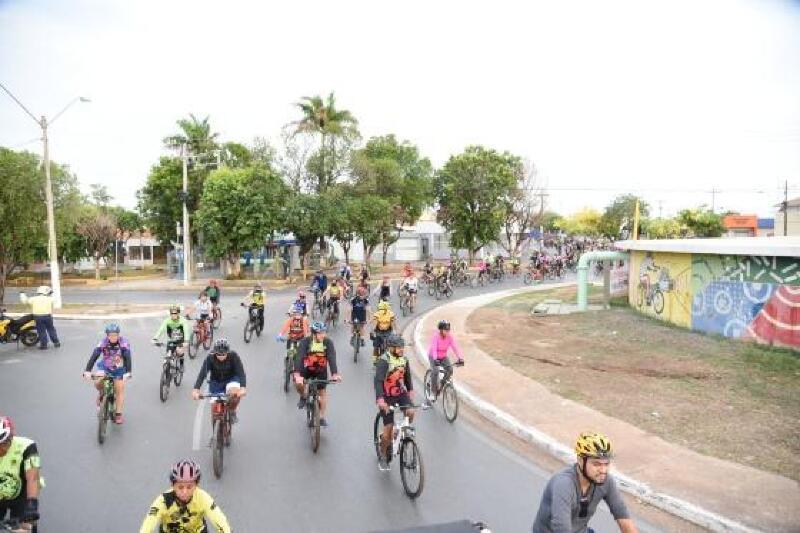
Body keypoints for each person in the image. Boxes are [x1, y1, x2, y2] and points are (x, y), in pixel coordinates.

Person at [531, 432, 637, 533]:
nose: (603, 470)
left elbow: (623, 518)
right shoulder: (564, 484)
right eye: (597, 464)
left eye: (606, 464)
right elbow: (561, 528)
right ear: (580, 460)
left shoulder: (606, 481)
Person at [139, 460, 231, 533]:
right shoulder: (162, 501)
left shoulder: (203, 498)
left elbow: (221, 521)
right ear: (172, 485)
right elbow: (148, 525)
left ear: (196, 485)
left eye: (189, 487)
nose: (185, 492)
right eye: (180, 487)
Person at [374, 334, 415, 471]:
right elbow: (378, 381)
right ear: (391, 348)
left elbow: (407, 377)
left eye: (402, 347)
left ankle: (398, 431)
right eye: (398, 348)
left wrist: (410, 392)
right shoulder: (384, 361)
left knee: (410, 412)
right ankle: (383, 455)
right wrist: (380, 400)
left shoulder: (404, 359)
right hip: (386, 397)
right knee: (387, 430)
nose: (401, 349)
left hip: (400, 393)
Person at [82, 323, 132, 424]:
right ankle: (102, 393)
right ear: (107, 335)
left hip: (119, 369)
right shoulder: (103, 342)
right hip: (105, 367)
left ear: (118, 335)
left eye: (115, 335)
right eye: (110, 335)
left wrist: (128, 372)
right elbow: (94, 355)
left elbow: (127, 357)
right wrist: (87, 370)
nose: (113, 337)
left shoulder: (124, 343)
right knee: (98, 381)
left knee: (119, 390)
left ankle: (118, 414)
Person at [294, 322, 341, 426]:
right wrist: (297, 374)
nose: (323, 335)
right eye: (320, 333)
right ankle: (303, 396)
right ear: (314, 334)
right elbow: (299, 357)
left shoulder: (328, 342)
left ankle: (321, 417)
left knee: (322, 393)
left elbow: (332, 358)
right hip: (306, 369)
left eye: (324, 332)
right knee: (298, 384)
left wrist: (335, 374)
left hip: (320, 370)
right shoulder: (305, 342)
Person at [0, 416, 43, 532]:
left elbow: (33, 478)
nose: (1, 449)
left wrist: (32, 504)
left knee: (25, 526)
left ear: (11, 437)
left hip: (23, 493)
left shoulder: (27, 446)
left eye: (3, 444)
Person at [192, 339, 247, 424]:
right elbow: (202, 374)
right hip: (216, 382)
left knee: (234, 396)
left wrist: (243, 388)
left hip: (231, 379)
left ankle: (232, 411)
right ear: (214, 352)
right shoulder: (210, 358)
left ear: (228, 352)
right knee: (214, 408)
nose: (221, 356)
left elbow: (241, 373)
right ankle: (215, 433)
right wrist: (196, 389)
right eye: (218, 354)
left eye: (223, 354)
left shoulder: (234, 356)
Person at [427, 320, 463, 396]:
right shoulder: (436, 337)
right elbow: (434, 348)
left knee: (450, 370)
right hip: (433, 356)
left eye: (448, 330)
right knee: (435, 371)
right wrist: (435, 359)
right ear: (440, 330)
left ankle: (441, 386)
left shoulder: (449, 337)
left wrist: (460, 358)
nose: (447, 331)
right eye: (445, 330)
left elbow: (455, 347)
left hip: (443, 357)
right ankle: (433, 392)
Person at [20, 285, 60, 350]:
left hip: (38, 317)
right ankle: (56, 342)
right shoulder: (50, 299)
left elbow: (24, 301)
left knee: (41, 331)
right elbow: (55, 300)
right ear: (46, 292)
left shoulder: (33, 299)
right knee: (51, 329)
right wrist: (51, 294)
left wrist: (22, 294)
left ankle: (44, 345)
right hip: (48, 317)